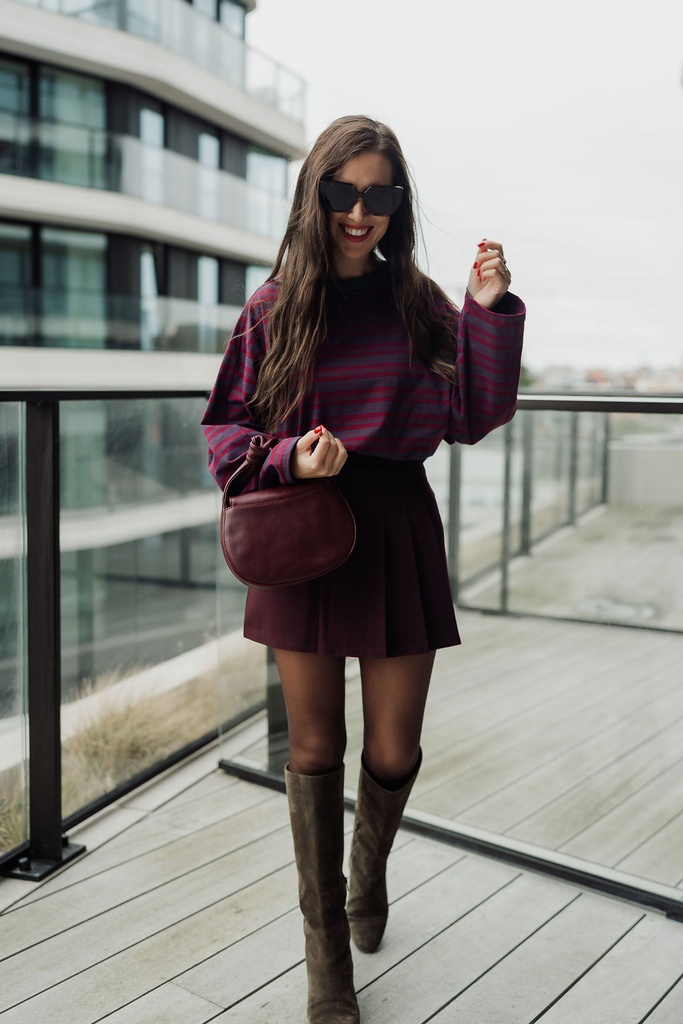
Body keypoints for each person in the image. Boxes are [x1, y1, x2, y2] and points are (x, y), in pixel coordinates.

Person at [202, 114, 525, 1024]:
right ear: (315, 194)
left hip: (394, 529)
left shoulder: (418, 301)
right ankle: (326, 959)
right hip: (298, 530)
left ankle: (365, 876)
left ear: (396, 204)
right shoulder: (271, 309)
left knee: (391, 749)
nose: (357, 211)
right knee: (313, 749)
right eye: (341, 191)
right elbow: (223, 432)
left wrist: (487, 311)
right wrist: (287, 463)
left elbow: (470, 415)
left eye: (377, 194)